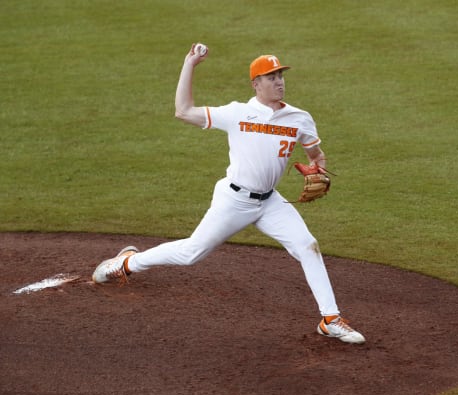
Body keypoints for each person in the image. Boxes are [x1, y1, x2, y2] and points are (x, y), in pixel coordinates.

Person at [91, 44, 365, 344]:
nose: (279, 81)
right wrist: (190, 64)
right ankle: (127, 263)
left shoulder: (300, 118)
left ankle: (330, 319)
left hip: (271, 201)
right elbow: (183, 111)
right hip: (234, 200)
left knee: (307, 245)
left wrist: (319, 169)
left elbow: (315, 154)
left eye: (280, 75)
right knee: (191, 253)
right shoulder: (238, 113)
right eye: (270, 76)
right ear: (255, 84)